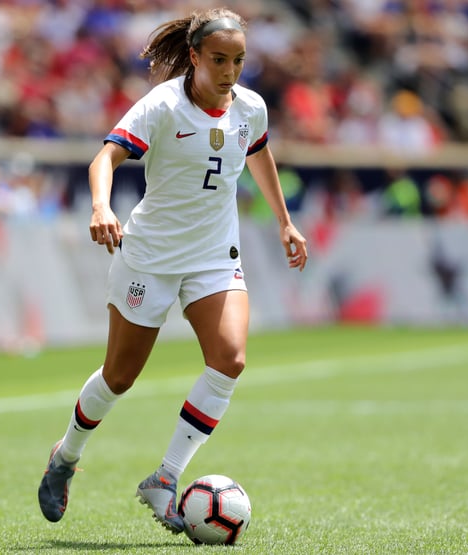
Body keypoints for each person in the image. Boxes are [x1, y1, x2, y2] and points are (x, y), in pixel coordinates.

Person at [37, 7, 308, 535]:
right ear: (193, 56)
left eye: (238, 60)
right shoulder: (163, 106)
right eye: (218, 60)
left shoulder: (250, 107)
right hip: (152, 257)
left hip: (213, 255)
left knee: (230, 359)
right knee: (120, 376)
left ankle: (165, 477)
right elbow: (105, 158)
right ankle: (66, 455)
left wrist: (284, 222)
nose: (230, 71)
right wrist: (101, 206)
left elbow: (259, 155)